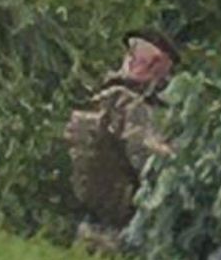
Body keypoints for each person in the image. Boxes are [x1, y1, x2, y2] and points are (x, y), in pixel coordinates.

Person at [65, 30, 179, 253]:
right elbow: (146, 158)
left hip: (88, 218)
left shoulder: (100, 97)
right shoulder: (125, 102)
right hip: (118, 228)